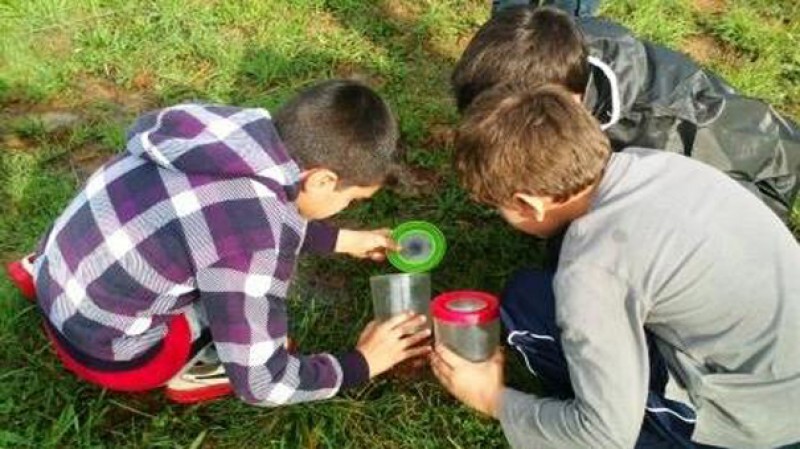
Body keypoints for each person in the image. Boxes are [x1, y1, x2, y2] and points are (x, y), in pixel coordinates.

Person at [6, 79, 431, 405]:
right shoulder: (254, 239)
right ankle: (202, 369)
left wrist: (343, 240)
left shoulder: (226, 132)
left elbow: (224, 216)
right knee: (263, 336)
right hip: (104, 351)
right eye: (352, 199)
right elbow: (264, 384)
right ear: (323, 180)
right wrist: (363, 362)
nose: (347, 207)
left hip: (56, 274)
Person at [431, 83, 800, 448]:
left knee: (527, 307)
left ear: (530, 203)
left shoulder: (592, 271)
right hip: (774, 366)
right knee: (535, 293)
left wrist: (491, 398)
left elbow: (604, 435)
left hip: (758, 422)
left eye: (498, 207)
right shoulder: (653, 162)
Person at [452, 6, 800, 223]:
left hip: (751, 195)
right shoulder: (553, 50)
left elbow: (739, 205)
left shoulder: (662, 132)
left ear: (571, 102)